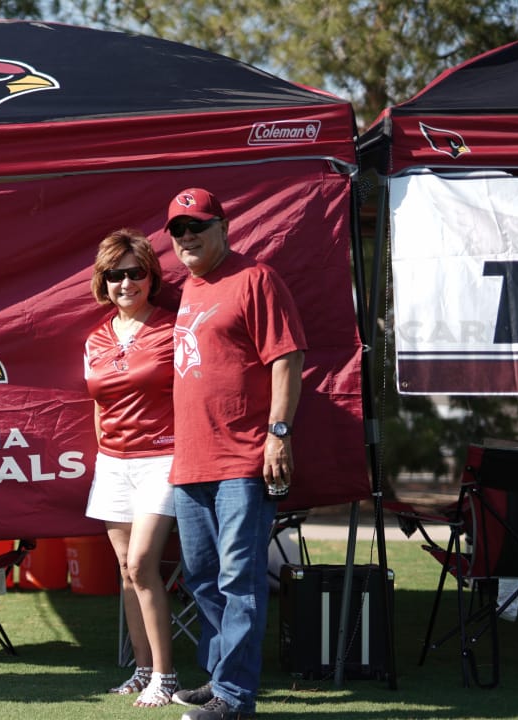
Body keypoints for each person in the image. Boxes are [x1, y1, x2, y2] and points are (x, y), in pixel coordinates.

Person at [163, 188, 305, 720]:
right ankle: (221, 677)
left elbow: (287, 359)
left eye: (197, 225)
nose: (188, 236)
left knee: (238, 579)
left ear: (223, 227)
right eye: (178, 229)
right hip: (190, 463)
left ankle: (235, 698)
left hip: (244, 460)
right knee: (201, 578)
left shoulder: (257, 278)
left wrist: (279, 432)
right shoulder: (189, 290)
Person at [83, 229, 180, 708]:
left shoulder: (173, 328)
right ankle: (143, 670)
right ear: (104, 282)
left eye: (135, 273)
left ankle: (167, 675)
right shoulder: (95, 337)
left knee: (142, 564)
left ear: (151, 277)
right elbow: (98, 404)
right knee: (125, 571)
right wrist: (107, 452)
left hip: (162, 460)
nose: (126, 283)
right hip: (113, 464)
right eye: (115, 275)